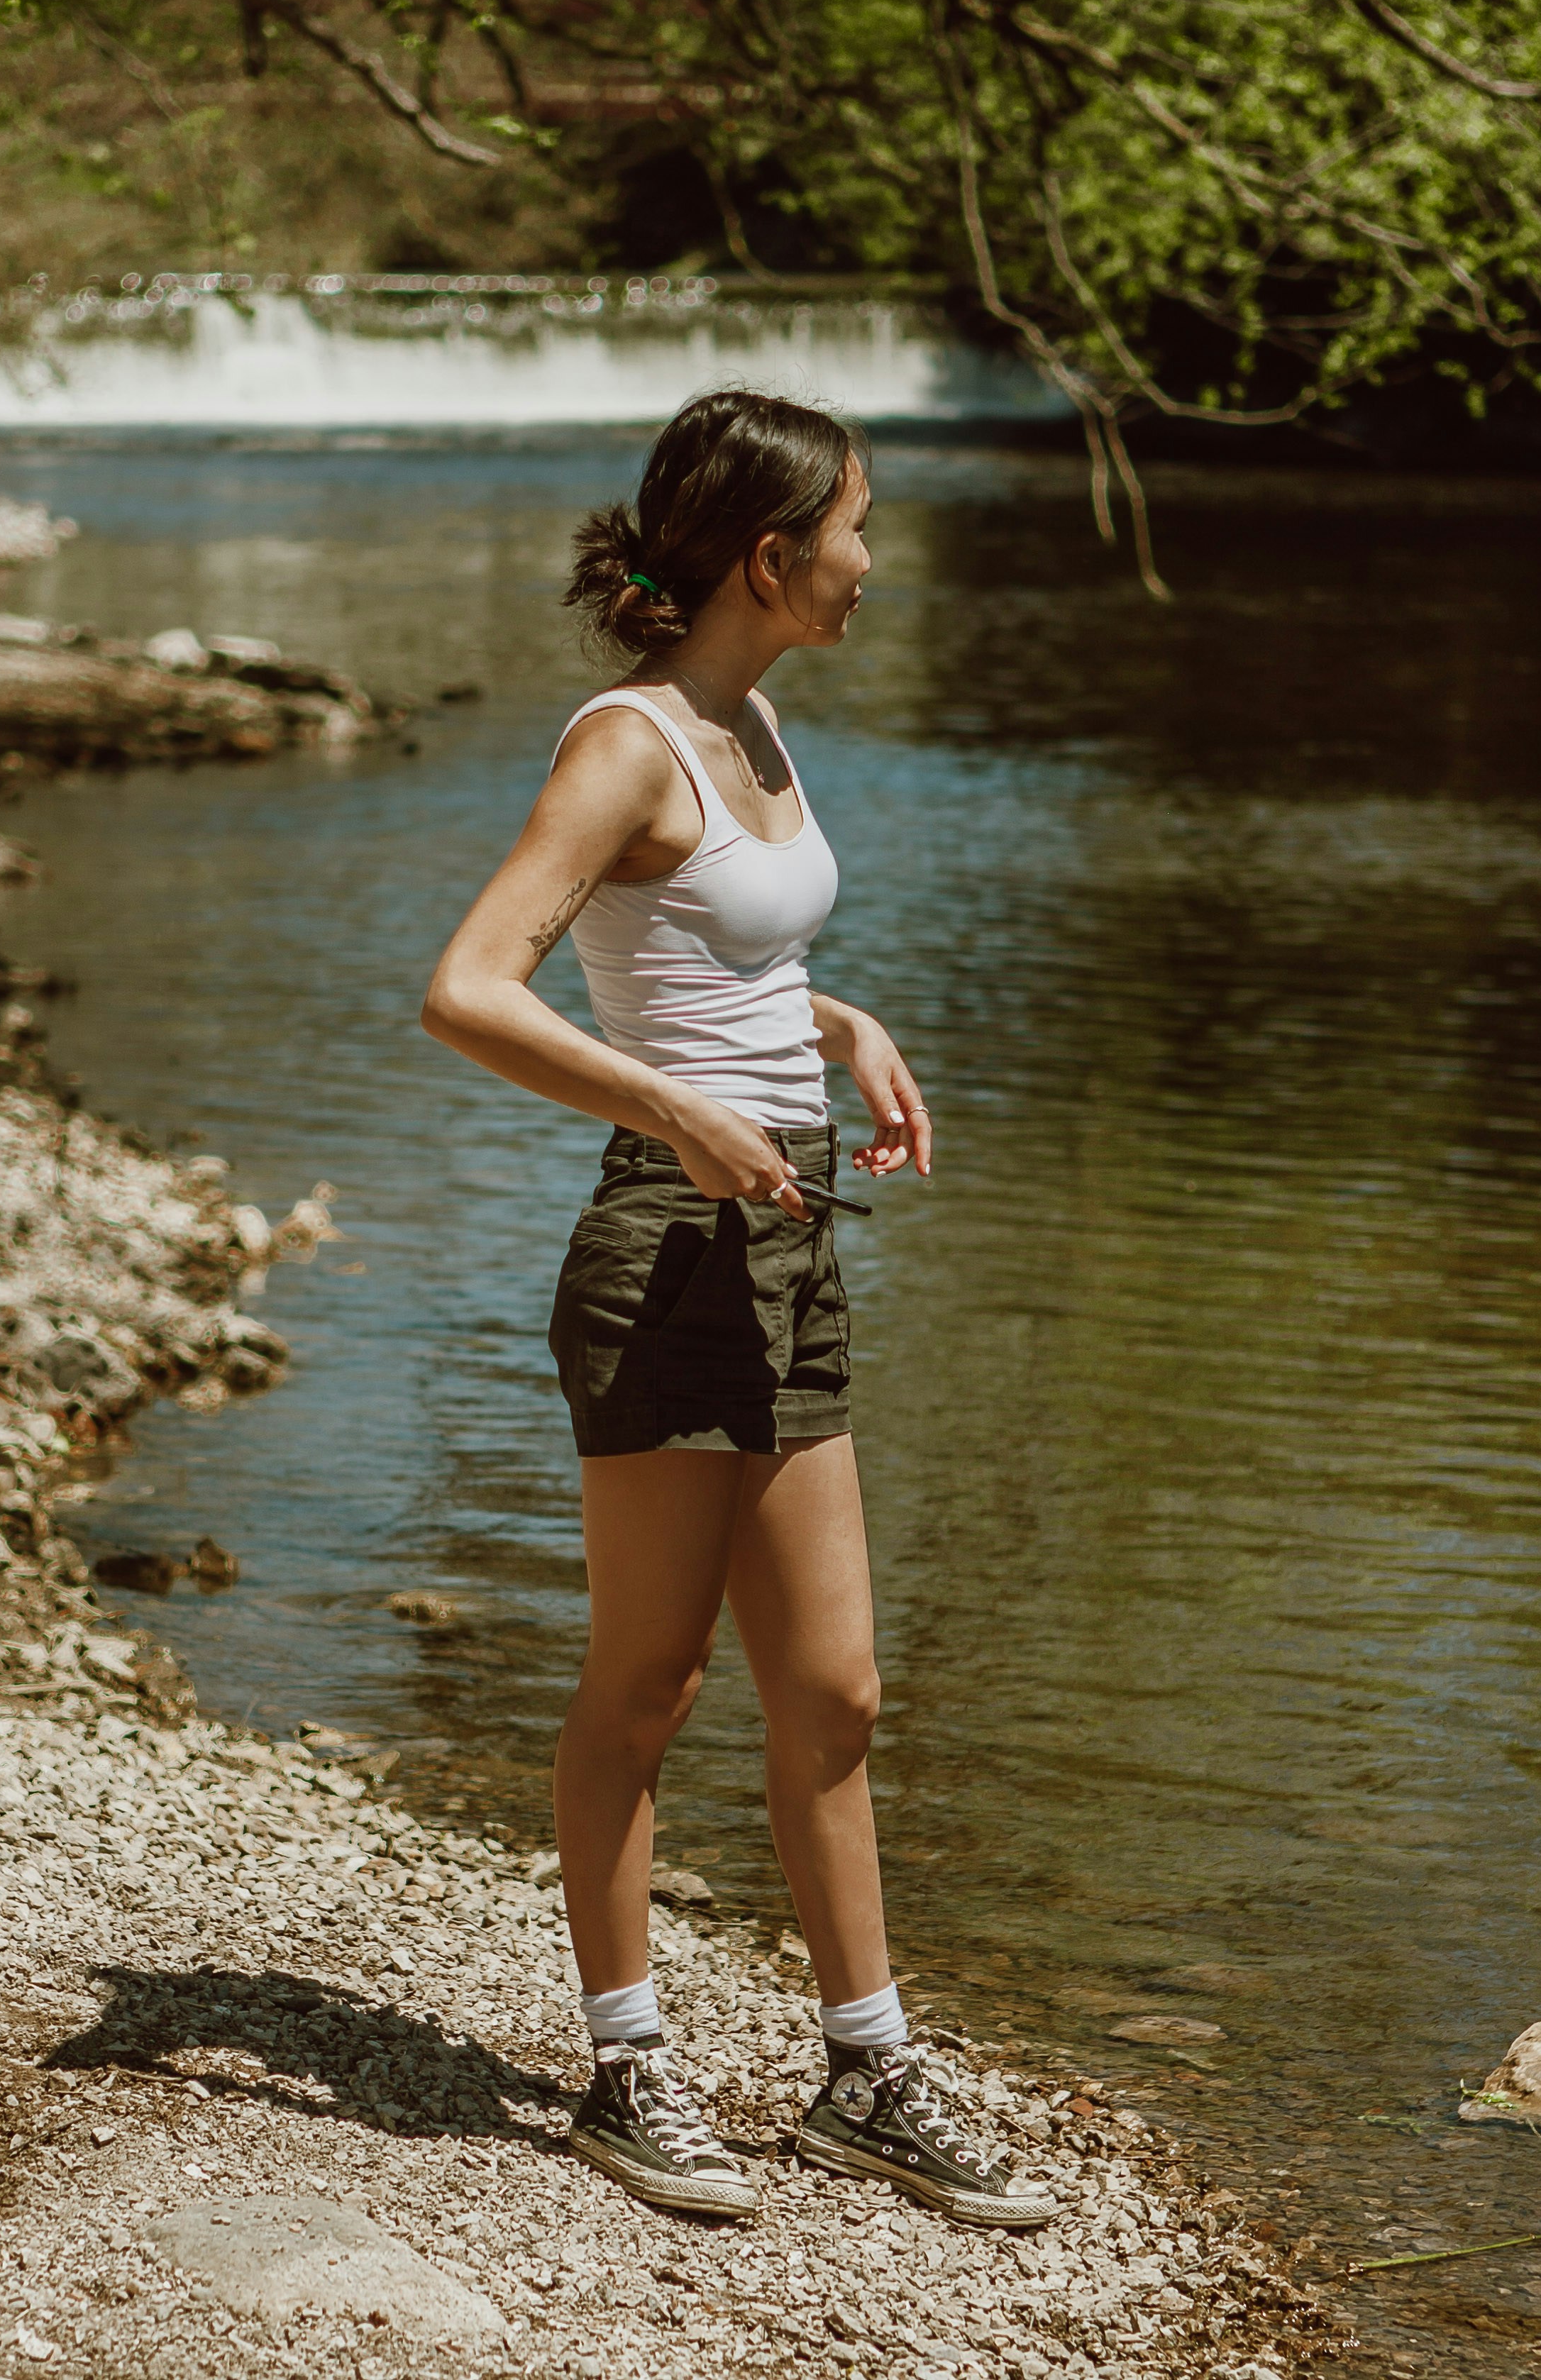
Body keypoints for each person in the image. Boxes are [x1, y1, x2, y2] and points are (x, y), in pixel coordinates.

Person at [422, 389, 1054, 2230]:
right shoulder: (628, 744)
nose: (876, 557)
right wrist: (678, 1107)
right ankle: (627, 2065)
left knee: (836, 1689)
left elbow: (715, 950)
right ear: (771, 559)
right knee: (651, 1680)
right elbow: (470, 985)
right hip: (664, 1247)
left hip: (790, 1243)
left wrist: (833, 1029)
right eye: (859, 525)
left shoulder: (749, 719)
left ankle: (866, 2071)